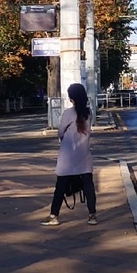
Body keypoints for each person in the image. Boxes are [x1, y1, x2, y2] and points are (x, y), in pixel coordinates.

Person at [41, 83, 98, 227]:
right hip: (84, 155)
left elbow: (60, 132)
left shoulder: (68, 113)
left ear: (72, 98)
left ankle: (54, 216)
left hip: (67, 156)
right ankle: (92, 216)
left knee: (60, 186)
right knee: (88, 186)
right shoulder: (89, 112)